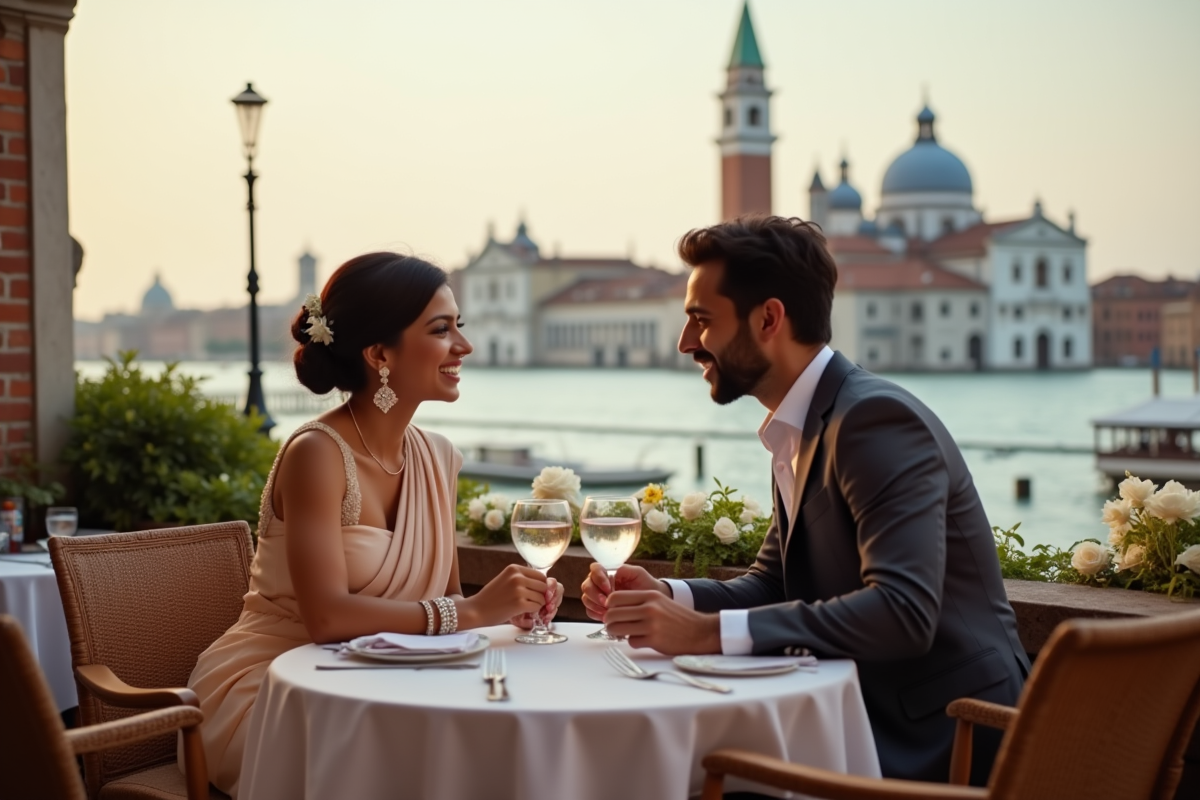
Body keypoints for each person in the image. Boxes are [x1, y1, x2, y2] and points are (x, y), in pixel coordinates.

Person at [581, 216, 1029, 786]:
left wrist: (702, 634)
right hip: (866, 718)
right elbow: (773, 583)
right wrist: (670, 594)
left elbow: (903, 612)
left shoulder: (872, 420)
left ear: (769, 318)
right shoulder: (805, 422)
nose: (686, 343)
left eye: (701, 320)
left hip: (944, 740)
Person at [185, 252, 563, 796]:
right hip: (279, 694)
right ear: (380, 353)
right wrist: (476, 610)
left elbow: (447, 601)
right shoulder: (317, 454)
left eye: (461, 325)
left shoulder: (438, 457)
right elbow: (325, 618)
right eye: (441, 329)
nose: (464, 345)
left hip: (391, 684)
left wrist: (513, 609)